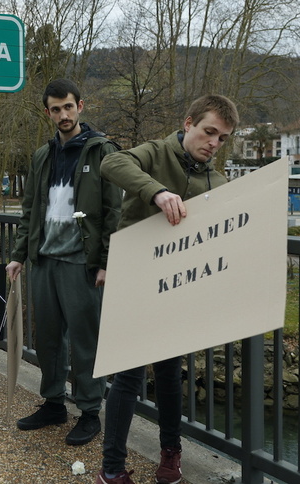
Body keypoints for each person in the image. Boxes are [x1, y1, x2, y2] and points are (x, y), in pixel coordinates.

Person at [95, 94, 239, 484]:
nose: (214, 142)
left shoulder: (219, 181)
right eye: (209, 132)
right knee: (127, 375)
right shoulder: (156, 152)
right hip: (136, 280)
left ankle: (170, 456)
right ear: (189, 122)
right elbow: (112, 162)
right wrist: (156, 192)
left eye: (222, 138)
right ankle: (111, 469)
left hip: (179, 290)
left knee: (171, 374)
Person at [6, 78, 122, 446]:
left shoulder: (101, 150)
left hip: (80, 263)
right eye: (55, 109)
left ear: (80, 106)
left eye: (68, 107)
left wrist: (106, 261)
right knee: (49, 339)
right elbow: (30, 210)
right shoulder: (43, 155)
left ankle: (90, 412)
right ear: (48, 112)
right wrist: (18, 255)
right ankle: (53, 402)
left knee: (85, 340)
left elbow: (113, 211)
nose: (63, 115)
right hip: (44, 261)